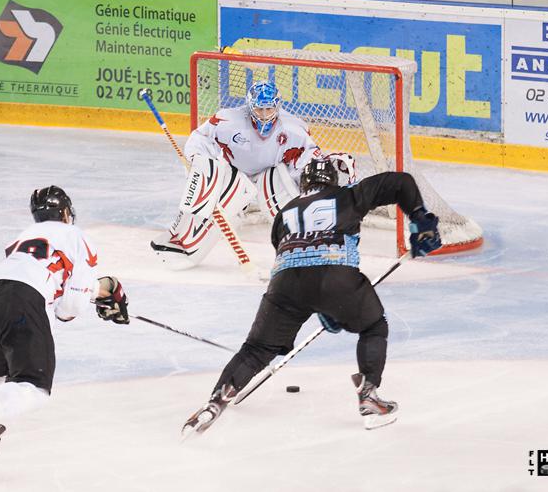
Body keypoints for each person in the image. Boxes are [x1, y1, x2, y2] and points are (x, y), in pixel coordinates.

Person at [182, 156, 442, 435]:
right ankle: (369, 395)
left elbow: (293, 257)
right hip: (336, 277)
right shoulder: (348, 195)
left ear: (304, 184)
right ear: (333, 180)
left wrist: (321, 306)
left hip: (284, 285)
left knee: (256, 350)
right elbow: (400, 181)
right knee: (373, 325)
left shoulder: (284, 214)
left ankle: (215, 401)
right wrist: (420, 219)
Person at [0, 185, 129, 474]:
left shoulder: (23, 237)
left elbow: (50, 278)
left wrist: (103, 290)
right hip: (22, 299)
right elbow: (69, 308)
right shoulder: (77, 236)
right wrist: (96, 297)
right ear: (66, 212)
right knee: (34, 387)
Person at [151, 80, 323, 268]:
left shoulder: (294, 128)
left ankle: (297, 248)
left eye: (269, 109)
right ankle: (183, 244)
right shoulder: (227, 120)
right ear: (250, 107)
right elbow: (201, 137)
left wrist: (308, 189)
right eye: (259, 109)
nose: (265, 115)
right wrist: (198, 160)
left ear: (277, 106)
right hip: (235, 172)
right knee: (210, 194)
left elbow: (307, 159)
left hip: (270, 174)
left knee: (286, 202)